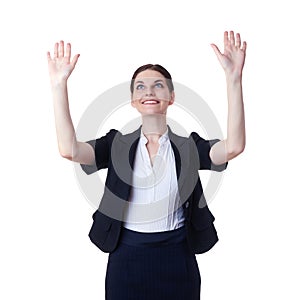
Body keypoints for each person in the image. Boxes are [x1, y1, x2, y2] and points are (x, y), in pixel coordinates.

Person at [47, 31, 246, 300]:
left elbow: (233, 146)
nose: (149, 91)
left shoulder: (188, 148)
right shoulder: (116, 144)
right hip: (126, 258)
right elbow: (68, 149)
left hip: (177, 257)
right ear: (132, 100)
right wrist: (59, 85)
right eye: (140, 86)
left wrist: (234, 79)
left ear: (171, 97)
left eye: (158, 85)